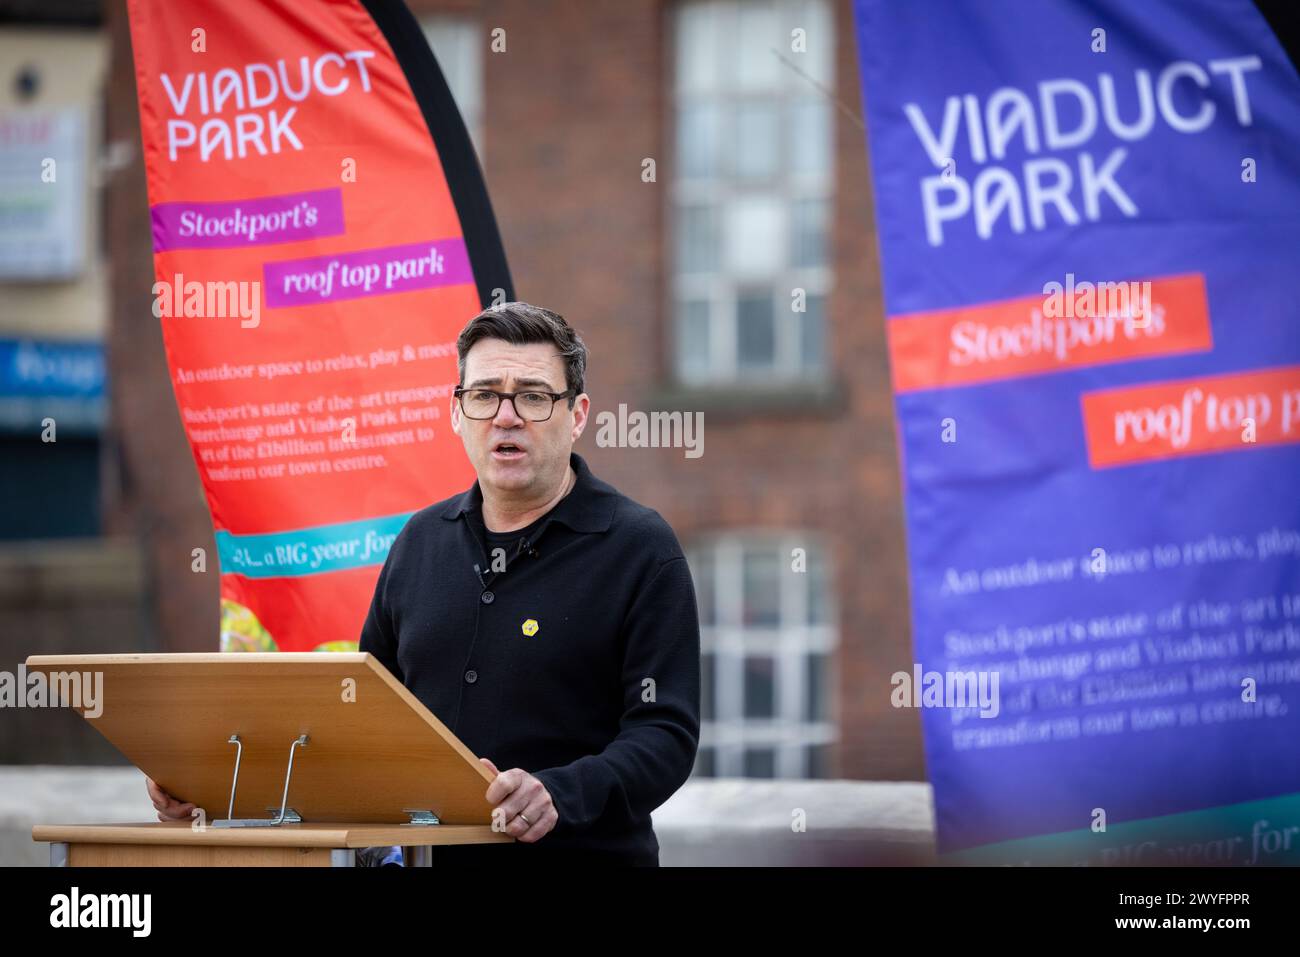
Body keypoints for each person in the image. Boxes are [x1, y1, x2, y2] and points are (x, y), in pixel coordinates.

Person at [149, 302, 701, 866]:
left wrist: (560, 792)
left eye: (534, 396)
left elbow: (665, 735)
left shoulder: (639, 548)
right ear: (456, 412)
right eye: (484, 395)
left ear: (578, 414)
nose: (506, 416)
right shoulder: (419, 542)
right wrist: (212, 789)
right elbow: (356, 723)